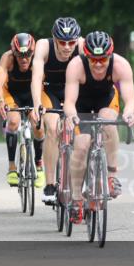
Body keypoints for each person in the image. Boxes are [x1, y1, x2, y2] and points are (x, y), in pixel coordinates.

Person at [63, 31, 134, 223]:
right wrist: (71, 117)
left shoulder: (121, 65)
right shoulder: (76, 65)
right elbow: (70, 102)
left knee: (107, 121)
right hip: (80, 104)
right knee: (81, 145)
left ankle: (111, 176)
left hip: (105, 100)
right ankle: (77, 200)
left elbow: (130, 100)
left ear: (110, 56)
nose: (98, 64)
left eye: (103, 60)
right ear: (86, 55)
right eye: (93, 60)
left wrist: (129, 114)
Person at [30, 17, 83, 204]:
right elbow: (36, 77)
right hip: (50, 89)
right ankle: (50, 184)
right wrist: (37, 103)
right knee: (51, 128)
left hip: (74, 89)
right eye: (62, 42)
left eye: (71, 42)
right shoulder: (44, 46)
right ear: (54, 38)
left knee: (82, 128)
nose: (67, 47)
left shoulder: (82, 46)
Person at [0, 33, 45, 189]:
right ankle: (12, 167)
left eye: (28, 54)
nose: (24, 59)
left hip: (33, 94)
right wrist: (1, 101)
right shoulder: (7, 58)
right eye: (20, 55)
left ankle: (39, 164)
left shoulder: (38, 58)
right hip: (12, 94)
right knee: (14, 122)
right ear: (14, 53)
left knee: (38, 124)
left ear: (33, 52)